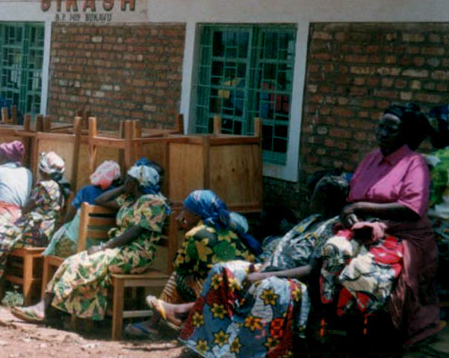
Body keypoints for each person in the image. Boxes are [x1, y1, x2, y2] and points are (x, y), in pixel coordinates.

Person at [154, 172, 350, 358]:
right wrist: (264, 267)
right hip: (273, 268)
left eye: (315, 194)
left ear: (325, 199)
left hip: (293, 280)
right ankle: (208, 344)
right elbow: (283, 248)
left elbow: (312, 269)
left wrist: (264, 275)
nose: (310, 198)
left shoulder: (331, 228)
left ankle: (239, 352)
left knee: (269, 287)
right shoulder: (312, 220)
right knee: (223, 270)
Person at [319, 103, 440, 348]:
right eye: (381, 126)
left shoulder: (414, 163)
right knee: (331, 252)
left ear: (405, 134)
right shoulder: (371, 159)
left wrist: (361, 207)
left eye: (391, 129)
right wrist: (351, 215)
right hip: (365, 229)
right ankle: (331, 321)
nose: (382, 133)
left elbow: (411, 208)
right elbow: (352, 199)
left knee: (363, 271)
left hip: (404, 234)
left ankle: (367, 333)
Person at [12, 163, 169, 323]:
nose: (124, 181)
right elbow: (100, 200)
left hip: (136, 254)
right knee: (71, 261)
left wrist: (103, 247)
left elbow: (134, 232)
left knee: (81, 264)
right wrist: (123, 189)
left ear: (136, 182)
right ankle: (47, 309)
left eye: (128, 179)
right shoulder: (129, 200)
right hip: (119, 250)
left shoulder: (153, 203)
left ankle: (45, 309)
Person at [125, 189, 260, 338]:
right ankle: (165, 318)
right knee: (195, 275)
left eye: (185, 210)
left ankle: (157, 322)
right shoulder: (229, 230)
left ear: (196, 215)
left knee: (179, 276)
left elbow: (179, 265)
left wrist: (187, 231)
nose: (181, 214)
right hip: (243, 291)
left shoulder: (197, 233)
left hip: (221, 293)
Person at [0, 152, 65, 300]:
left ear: (42, 170)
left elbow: (26, 209)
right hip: (41, 234)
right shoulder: (59, 188)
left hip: (30, 233)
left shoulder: (44, 186)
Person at [43, 160, 123, 259]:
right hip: (98, 249)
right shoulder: (118, 198)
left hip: (72, 247)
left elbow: (70, 216)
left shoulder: (86, 190)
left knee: (58, 241)